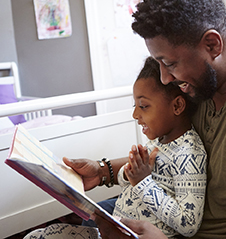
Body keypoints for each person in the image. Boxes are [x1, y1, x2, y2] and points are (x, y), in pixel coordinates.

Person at [27, 0, 226, 239]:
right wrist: (102, 172)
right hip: (157, 211)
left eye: (169, 64)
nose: (164, 78)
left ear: (213, 44)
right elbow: (170, 156)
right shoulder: (202, 84)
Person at [24, 56, 207, 239]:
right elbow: (133, 183)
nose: (135, 114)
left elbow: (188, 223)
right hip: (115, 228)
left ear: (177, 106)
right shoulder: (159, 141)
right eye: (135, 105)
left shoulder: (189, 154)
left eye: (143, 106)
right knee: (37, 236)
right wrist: (126, 173)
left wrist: (142, 182)